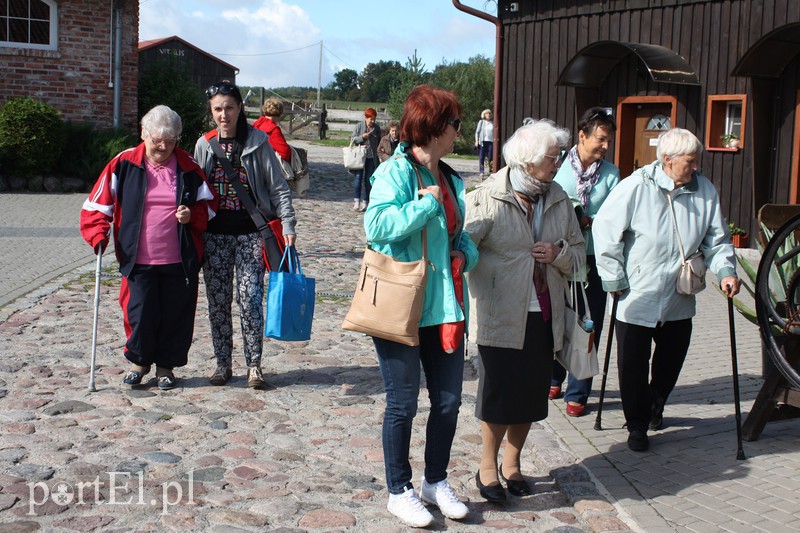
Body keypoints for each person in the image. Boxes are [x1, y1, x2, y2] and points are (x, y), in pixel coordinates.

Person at [364, 85, 479, 528]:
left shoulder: (452, 178)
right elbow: (375, 226)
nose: (458, 131)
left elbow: (460, 237)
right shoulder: (396, 173)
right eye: (453, 124)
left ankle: (435, 481)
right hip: (401, 303)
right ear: (432, 127)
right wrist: (423, 205)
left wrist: (464, 254)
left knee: (448, 401)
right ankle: (399, 489)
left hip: (445, 306)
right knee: (403, 403)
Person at [592, 128, 741, 452]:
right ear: (668, 160)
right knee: (632, 367)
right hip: (636, 294)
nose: (696, 167)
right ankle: (637, 426)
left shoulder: (705, 191)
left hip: (678, 295)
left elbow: (716, 240)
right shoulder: (636, 187)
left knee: (670, 362)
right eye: (690, 161)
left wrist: (726, 270)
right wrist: (614, 278)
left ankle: (655, 404)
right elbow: (605, 231)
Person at [465, 120, 585, 503]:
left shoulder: (560, 198)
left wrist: (559, 253)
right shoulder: (487, 196)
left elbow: (580, 257)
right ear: (529, 161)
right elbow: (463, 251)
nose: (558, 162)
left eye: (559, 155)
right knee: (498, 395)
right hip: (499, 313)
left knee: (531, 397)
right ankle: (487, 467)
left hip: (545, 315)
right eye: (553, 157)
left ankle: (512, 464)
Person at [80, 105, 217, 391]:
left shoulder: (188, 167)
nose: (163, 146)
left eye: (170, 141)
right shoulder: (124, 163)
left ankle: (166, 367)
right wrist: (98, 234)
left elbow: (209, 209)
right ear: (144, 134)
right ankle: (138, 363)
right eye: (157, 140)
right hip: (137, 256)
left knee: (175, 313)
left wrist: (192, 215)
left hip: (179, 257)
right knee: (140, 312)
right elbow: (96, 205)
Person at [194, 81, 297, 390]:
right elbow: (193, 188)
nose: (223, 115)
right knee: (218, 302)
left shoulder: (258, 141)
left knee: (250, 300)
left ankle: (254, 365)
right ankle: (222, 363)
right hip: (215, 237)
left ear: (239, 108)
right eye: (217, 109)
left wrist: (289, 225)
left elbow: (279, 188)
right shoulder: (204, 144)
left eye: (229, 108)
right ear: (211, 112)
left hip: (252, 235)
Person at [550, 107, 620, 417]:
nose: (605, 146)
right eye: (601, 139)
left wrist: (593, 221)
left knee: (588, 324)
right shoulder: (557, 166)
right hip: (558, 256)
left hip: (593, 259)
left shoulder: (612, 175)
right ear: (582, 135)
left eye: (609, 141)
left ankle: (578, 391)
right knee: (556, 317)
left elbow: (618, 218)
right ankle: (552, 376)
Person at [351, 107, 382, 211]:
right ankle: (356, 201)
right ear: (366, 117)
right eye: (370, 119)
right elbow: (353, 139)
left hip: (371, 157)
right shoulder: (359, 126)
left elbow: (380, 142)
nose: (372, 121)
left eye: (374, 119)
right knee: (358, 178)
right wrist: (362, 137)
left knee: (368, 180)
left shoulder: (377, 128)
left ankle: (365, 202)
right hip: (359, 157)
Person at [253, 97, 291, 164]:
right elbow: (285, 152)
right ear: (279, 113)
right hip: (267, 166)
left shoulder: (256, 124)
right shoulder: (273, 130)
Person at [474, 108, 494, 177]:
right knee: (481, 157)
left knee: (491, 157)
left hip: (490, 142)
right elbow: (477, 132)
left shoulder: (493, 123)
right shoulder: (481, 122)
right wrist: (476, 141)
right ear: (484, 115)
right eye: (487, 113)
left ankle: (491, 170)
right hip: (482, 142)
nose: (488, 114)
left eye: (489, 113)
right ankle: (481, 171)